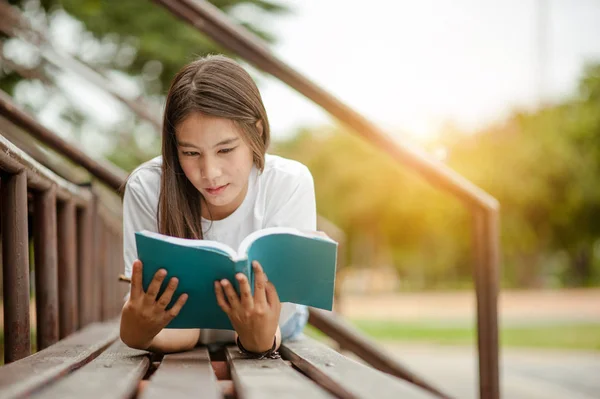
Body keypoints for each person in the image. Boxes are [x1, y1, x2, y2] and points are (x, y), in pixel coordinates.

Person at [119, 54, 318, 357]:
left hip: (278, 326)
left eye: (225, 149)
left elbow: (272, 324)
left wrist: (257, 338)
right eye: (190, 153)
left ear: (257, 131)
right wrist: (139, 333)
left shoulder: (289, 182)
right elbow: (170, 326)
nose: (210, 172)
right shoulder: (147, 188)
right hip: (181, 330)